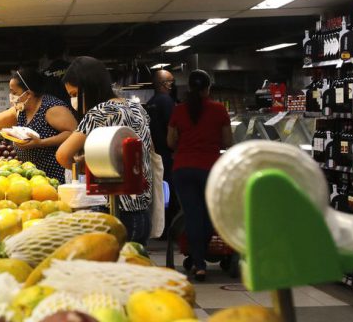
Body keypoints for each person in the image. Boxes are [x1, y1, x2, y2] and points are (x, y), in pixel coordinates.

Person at [55, 56, 154, 245]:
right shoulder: (137, 108)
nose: (73, 100)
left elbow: (63, 155)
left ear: (89, 88)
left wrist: (85, 167)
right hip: (142, 213)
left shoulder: (99, 112)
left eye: (75, 94)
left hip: (113, 213)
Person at [167, 70, 232, 281]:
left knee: (192, 215)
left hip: (183, 169)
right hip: (210, 169)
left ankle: (198, 262)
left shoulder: (179, 110)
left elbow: (170, 142)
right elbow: (227, 142)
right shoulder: (219, 109)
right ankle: (201, 259)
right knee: (208, 215)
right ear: (208, 88)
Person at [145, 69, 177, 237]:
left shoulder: (151, 102)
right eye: (170, 82)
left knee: (160, 193)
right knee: (170, 193)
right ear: (163, 83)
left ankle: (161, 227)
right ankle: (169, 229)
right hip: (167, 155)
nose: (172, 86)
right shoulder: (166, 101)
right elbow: (173, 130)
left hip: (155, 154)